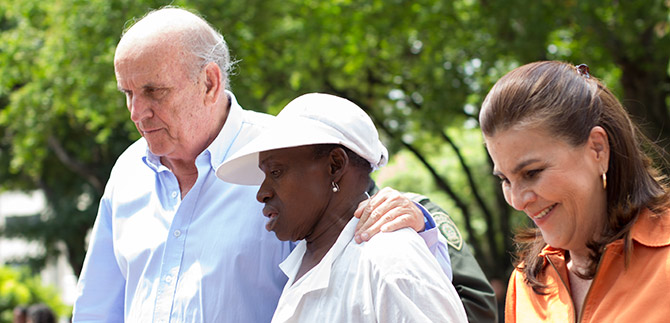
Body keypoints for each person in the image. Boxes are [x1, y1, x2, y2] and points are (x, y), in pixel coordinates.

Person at [72, 7, 453, 322]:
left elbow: (373, 262)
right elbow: (97, 308)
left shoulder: (295, 153)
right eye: (128, 93)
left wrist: (419, 223)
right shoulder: (127, 172)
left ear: (209, 82)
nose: (137, 112)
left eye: (154, 91)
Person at [216, 92, 468, 322]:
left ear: (334, 166)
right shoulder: (306, 262)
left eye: (276, 172)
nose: (262, 193)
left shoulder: (389, 263)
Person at [479, 60, 670, 322]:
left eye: (532, 173)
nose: (518, 201)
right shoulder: (525, 284)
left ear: (597, 149)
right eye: (506, 180)